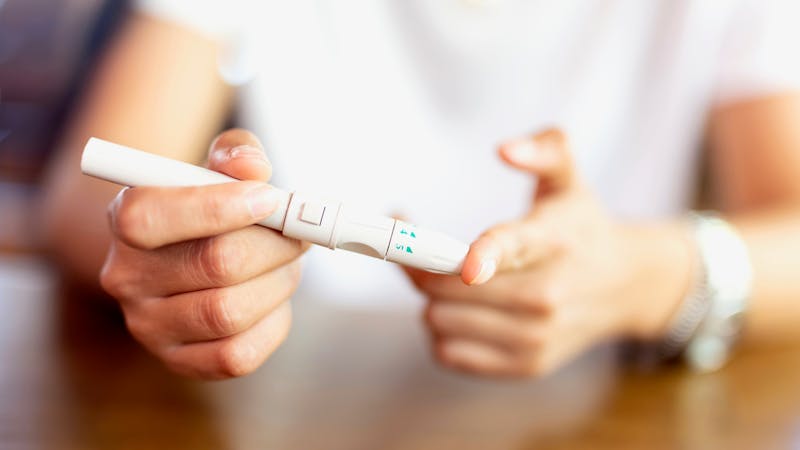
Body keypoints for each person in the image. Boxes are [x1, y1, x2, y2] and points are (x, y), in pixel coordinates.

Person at [40, 1, 800, 379]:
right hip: (294, 394)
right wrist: (172, 250)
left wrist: (649, 275)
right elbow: (83, 197)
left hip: (602, 397)